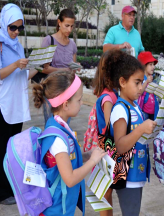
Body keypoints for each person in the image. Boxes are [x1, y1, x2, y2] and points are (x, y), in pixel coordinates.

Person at [0, 3, 38, 205]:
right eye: (12, 27)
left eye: (19, 28)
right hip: (2, 104)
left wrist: (37, 66)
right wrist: (16, 64)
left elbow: (22, 76)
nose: (16, 32)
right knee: (1, 149)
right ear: (4, 24)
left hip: (17, 103)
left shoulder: (17, 45)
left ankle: (9, 189)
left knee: (13, 149)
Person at [32, 71, 107, 215]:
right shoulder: (58, 140)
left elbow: (66, 159)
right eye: (79, 100)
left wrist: (87, 155)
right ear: (66, 104)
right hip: (57, 209)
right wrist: (92, 161)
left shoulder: (55, 123)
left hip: (61, 204)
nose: (82, 103)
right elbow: (70, 179)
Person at [109, 51, 156, 216]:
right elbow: (120, 145)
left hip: (137, 175)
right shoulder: (121, 109)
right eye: (137, 83)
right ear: (122, 82)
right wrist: (141, 129)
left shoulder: (134, 105)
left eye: (142, 82)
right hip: (128, 178)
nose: (140, 87)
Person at [83, 51, 121, 216]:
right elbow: (108, 127)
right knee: (104, 193)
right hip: (106, 150)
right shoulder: (109, 98)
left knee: (104, 193)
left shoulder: (107, 93)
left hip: (103, 150)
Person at [32, 9, 78, 83]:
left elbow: (73, 72)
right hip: (52, 87)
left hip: (66, 86)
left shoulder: (72, 45)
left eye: (72, 26)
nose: (69, 29)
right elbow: (42, 68)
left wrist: (76, 67)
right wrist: (63, 70)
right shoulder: (49, 41)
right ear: (59, 22)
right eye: (67, 26)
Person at [137, 51, 159, 120]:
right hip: (144, 111)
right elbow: (139, 92)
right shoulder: (140, 78)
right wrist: (146, 81)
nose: (153, 67)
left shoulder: (152, 77)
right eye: (150, 64)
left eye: (153, 64)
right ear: (144, 66)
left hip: (154, 110)